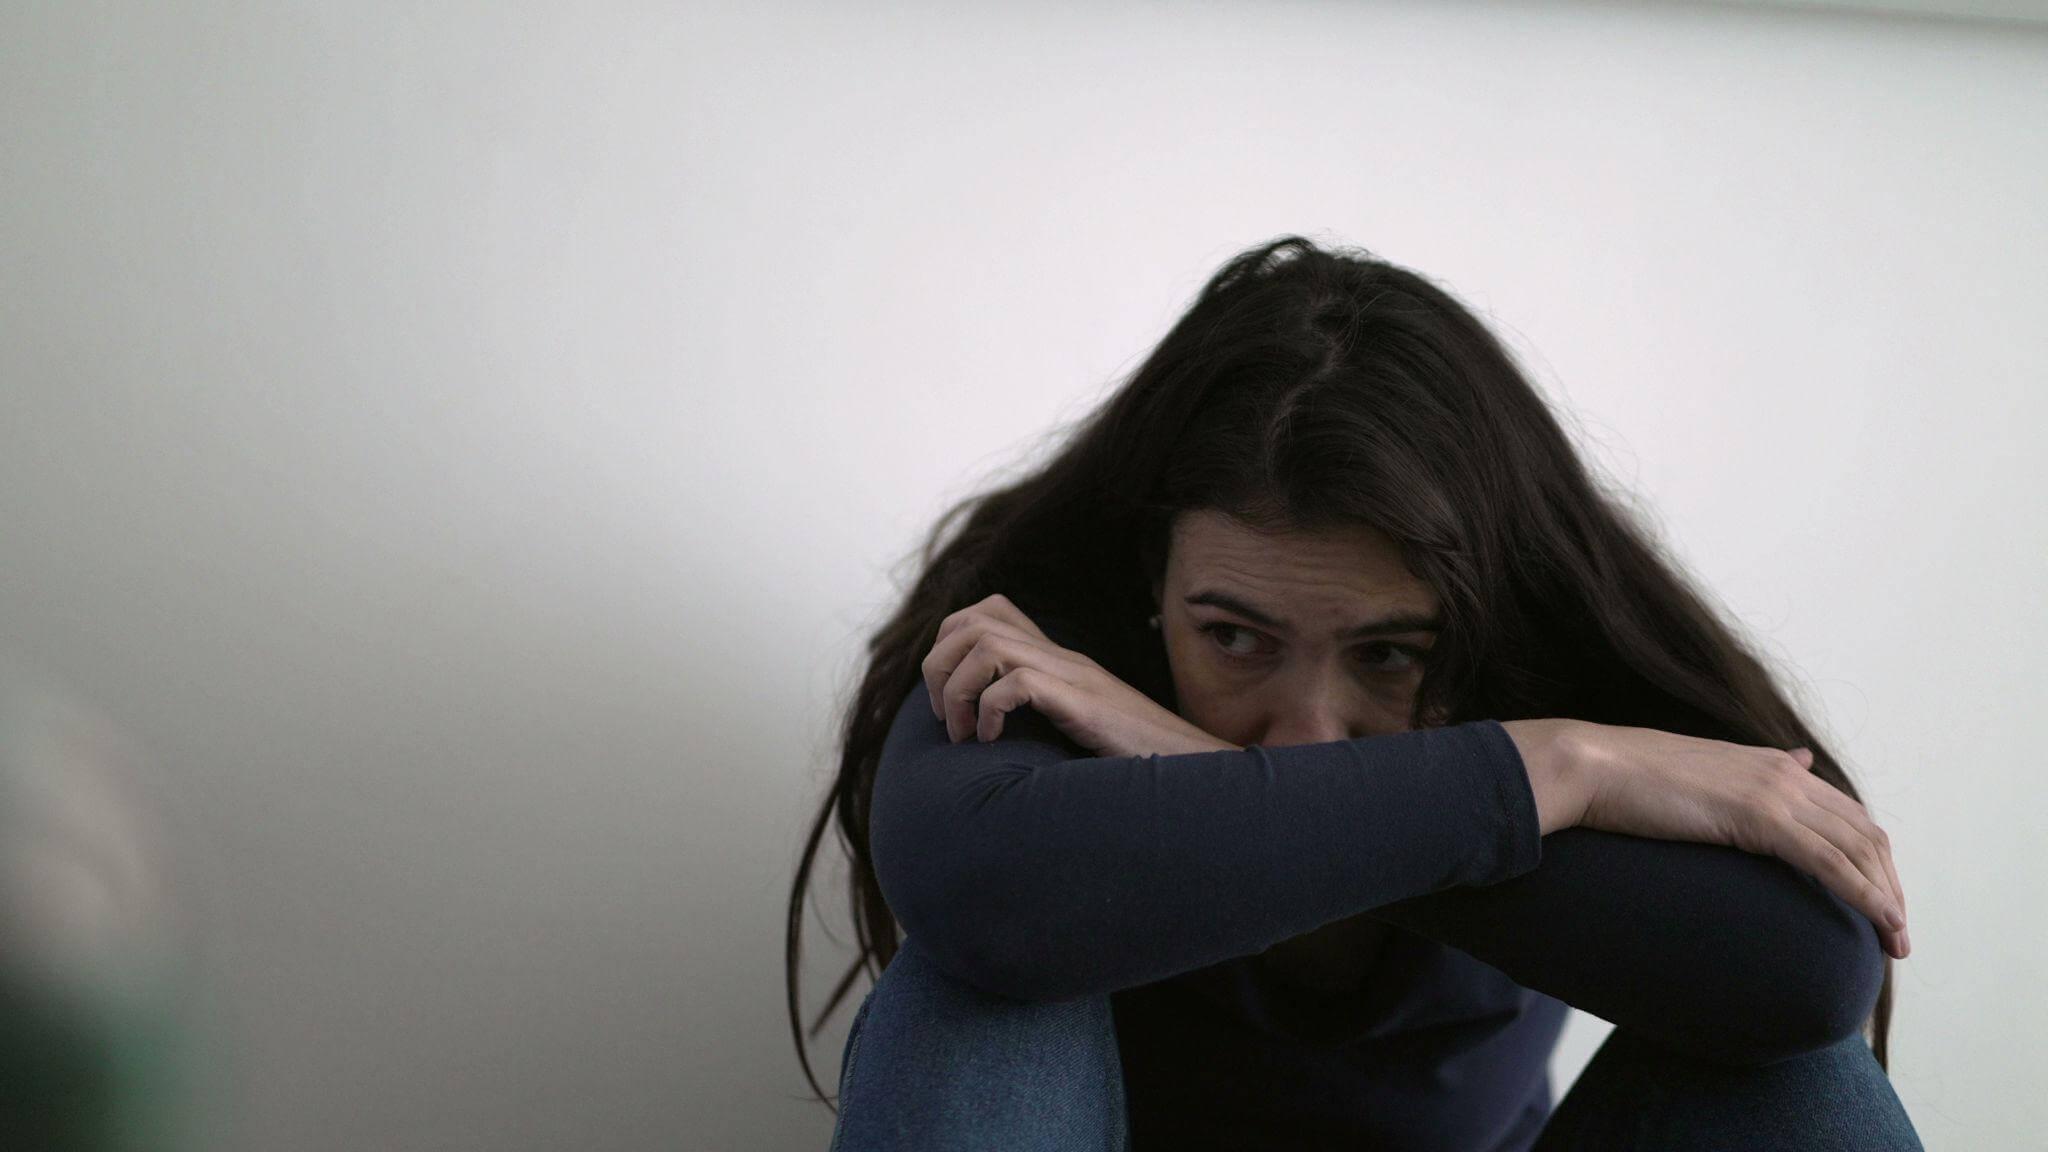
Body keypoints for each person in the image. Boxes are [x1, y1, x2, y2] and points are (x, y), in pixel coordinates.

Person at [784, 235, 1923, 1149]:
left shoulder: (1547, 661)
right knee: (974, 994)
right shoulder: (1036, 633)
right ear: (1151, 575)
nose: (1310, 728)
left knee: (1797, 1082)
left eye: (1389, 654)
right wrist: (1552, 778)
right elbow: (976, 890)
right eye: (1232, 636)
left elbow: (1810, 973)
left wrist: (1202, 762)